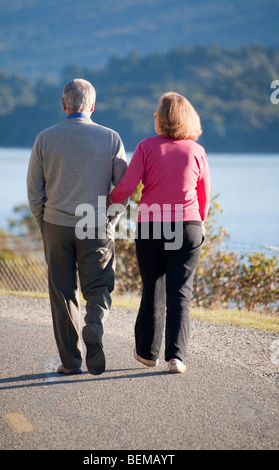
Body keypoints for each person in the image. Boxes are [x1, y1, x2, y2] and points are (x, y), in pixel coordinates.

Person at [27, 79, 127, 375]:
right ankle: (94, 324)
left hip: (56, 224)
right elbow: (123, 188)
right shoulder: (111, 138)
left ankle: (71, 362)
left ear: (63, 104)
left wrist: (44, 224)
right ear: (92, 106)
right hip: (95, 225)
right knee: (99, 286)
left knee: (62, 292)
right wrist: (110, 221)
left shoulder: (44, 138)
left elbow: (35, 191)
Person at [109, 92, 210, 373]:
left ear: (161, 118)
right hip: (188, 226)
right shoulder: (197, 151)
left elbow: (127, 188)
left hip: (152, 226)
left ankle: (146, 354)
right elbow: (204, 199)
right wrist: (199, 224)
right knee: (180, 293)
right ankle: (176, 358)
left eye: (156, 113)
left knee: (153, 289)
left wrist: (107, 199)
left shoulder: (145, 147)